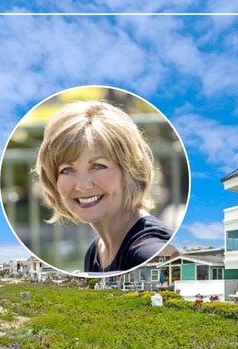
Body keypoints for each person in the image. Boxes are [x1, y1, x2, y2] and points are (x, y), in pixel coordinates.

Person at [35, 101, 173, 274]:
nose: (82, 185)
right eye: (67, 170)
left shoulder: (147, 249)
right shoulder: (96, 250)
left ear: (130, 171)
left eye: (98, 166)